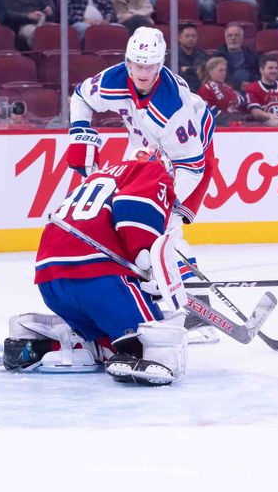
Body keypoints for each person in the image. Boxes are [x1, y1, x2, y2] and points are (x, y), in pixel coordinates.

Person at [28, 145, 190, 385]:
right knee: (153, 339)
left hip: (50, 278)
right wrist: (144, 256)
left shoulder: (97, 177)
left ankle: (48, 345)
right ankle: (130, 352)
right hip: (100, 278)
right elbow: (134, 207)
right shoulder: (151, 169)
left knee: (102, 335)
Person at [68, 27, 215, 265]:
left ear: (160, 65)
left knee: (164, 220)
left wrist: (164, 202)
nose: (143, 72)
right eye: (138, 65)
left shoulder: (172, 107)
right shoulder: (113, 79)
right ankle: (135, 268)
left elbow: (192, 166)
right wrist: (80, 133)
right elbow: (81, 97)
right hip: (143, 146)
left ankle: (183, 278)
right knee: (120, 207)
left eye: (150, 66)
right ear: (128, 63)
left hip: (190, 155)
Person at [197, 56, 247, 124]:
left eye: (225, 70)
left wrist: (237, 101)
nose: (224, 73)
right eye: (220, 70)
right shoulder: (205, 89)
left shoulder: (228, 87)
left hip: (236, 121)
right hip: (218, 125)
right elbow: (207, 111)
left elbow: (240, 99)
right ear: (210, 71)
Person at [214, 23, 260, 91]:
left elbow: (259, 73)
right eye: (230, 35)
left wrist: (251, 84)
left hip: (251, 88)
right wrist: (237, 85)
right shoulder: (217, 56)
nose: (233, 38)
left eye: (237, 35)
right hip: (227, 90)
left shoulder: (251, 54)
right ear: (225, 38)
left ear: (242, 37)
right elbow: (216, 76)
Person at [178, 23, 208, 92]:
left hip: (201, 91)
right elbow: (178, 76)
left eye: (193, 36)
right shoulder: (173, 56)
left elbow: (203, 73)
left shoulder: (203, 55)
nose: (191, 39)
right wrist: (195, 71)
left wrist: (187, 69)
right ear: (180, 38)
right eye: (187, 36)